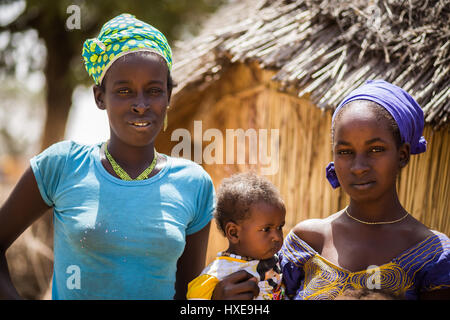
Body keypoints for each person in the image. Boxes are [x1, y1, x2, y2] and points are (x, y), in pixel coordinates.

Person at [0, 13, 215, 300]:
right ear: (100, 97)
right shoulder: (63, 166)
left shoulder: (194, 184)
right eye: (124, 91)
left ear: (169, 95)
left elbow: (187, 294)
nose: (141, 105)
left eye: (154, 91)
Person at [278, 80, 450, 300]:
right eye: (345, 152)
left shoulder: (432, 256)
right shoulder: (307, 242)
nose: (358, 167)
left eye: (376, 149)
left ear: (403, 154)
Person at [187, 172, 286, 300]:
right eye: (266, 229)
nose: (277, 237)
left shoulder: (279, 261)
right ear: (234, 233)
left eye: (280, 227)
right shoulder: (216, 276)